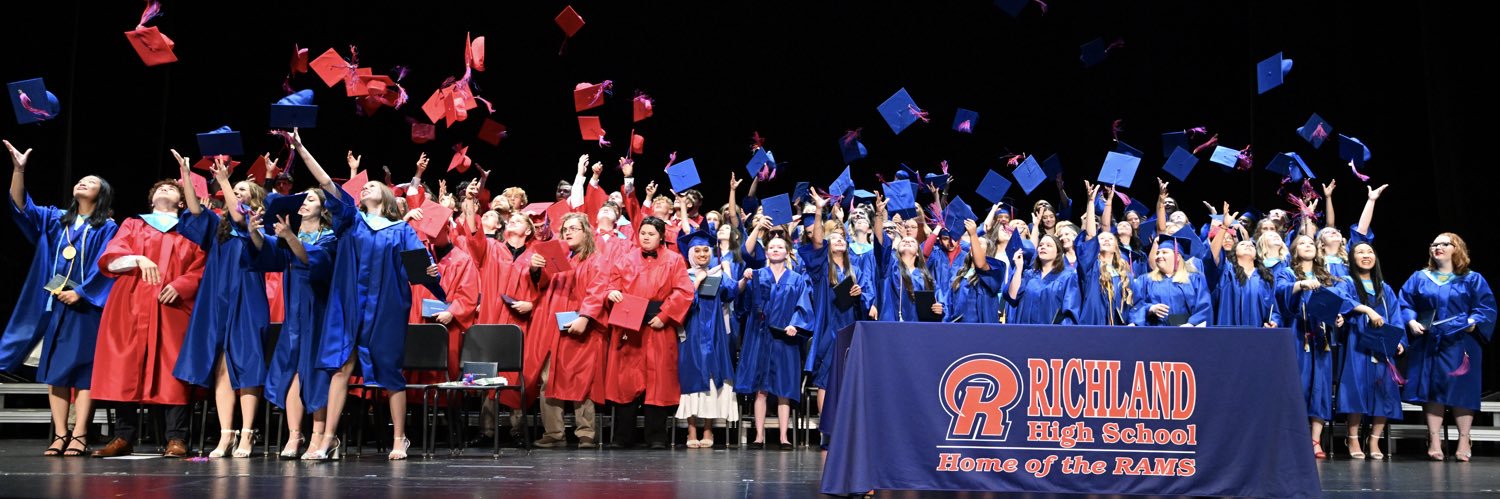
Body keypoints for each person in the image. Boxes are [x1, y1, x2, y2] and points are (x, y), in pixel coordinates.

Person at [290, 132, 438, 461]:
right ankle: (328, 438)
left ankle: (400, 439)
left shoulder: (400, 230)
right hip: (349, 307)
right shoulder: (352, 221)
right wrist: (300, 149)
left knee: (389, 372)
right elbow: (327, 183)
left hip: (384, 310)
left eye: (374, 185)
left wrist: (433, 279)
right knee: (341, 369)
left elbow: (419, 270)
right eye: (365, 186)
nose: (367, 186)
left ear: (387, 199)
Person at [1, 140, 118, 457]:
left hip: (85, 306)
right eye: (81, 180)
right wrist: (18, 170)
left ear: (101, 195)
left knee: (82, 372)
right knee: (55, 372)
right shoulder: (56, 219)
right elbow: (21, 207)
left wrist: (80, 292)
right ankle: (60, 434)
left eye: (91, 183)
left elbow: (107, 264)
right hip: (55, 303)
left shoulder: (107, 227)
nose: (83, 182)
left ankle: (80, 435)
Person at [89, 171, 207, 458]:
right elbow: (111, 259)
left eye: (172, 188)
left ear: (182, 201)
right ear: (151, 199)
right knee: (124, 368)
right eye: (160, 187)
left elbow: (203, 267)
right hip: (129, 305)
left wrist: (182, 285)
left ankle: (176, 439)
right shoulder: (133, 224)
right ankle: (123, 437)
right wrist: (138, 258)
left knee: (173, 371)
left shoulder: (190, 230)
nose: (165, 189)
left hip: (172, 308)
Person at [172, 155, 270, 458]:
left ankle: (247, 434)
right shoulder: (218, 224)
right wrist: (187, 175)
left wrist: (226, 180)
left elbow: (240, 217)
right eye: (234, 189)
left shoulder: (256, 224)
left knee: (248, 362)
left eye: (244, 190)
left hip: (247, 297)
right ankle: (226, 434)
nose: (237, 193)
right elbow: (194, 211)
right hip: (216, 296)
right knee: (222, 366)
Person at [246, 187, 337, 459]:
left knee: (316, 372)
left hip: (319, 311)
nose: (304, 203)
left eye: (310, 198)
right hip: (294, 312)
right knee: (291, 371)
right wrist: (254, 232)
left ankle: (320, 437)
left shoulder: (330, 237)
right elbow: (269, 252)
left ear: (323, 207)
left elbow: (312, 260)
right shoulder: (289, 236)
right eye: (302, 198)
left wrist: (289, 236)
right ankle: (294, 435)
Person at [1400, 232, 1496, 462]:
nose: (1438, 247)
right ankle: (1433, 440)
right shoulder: (1420, 277)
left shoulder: (1472, 279)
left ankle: (1464, 439)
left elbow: (1486, 308)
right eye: (1434, 244)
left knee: (1462, 390)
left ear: (1457, 249)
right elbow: (1405, 303)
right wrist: (1411, 321)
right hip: (1430, 343)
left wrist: (1473, 324)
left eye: (1445, 243)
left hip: (1461, 343)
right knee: (1433, 390)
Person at [601, 217, 694, 449]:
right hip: (629, 325)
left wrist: (664, 317)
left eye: (651, 233)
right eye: (643, 232)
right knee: (625, 381)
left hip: (657, 325)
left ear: (661, 236)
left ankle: (656, 436)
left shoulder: (674, 260)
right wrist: (611, 293)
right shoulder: (625, 259)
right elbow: (612, 284)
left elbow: (683, 291)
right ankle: (622, 437)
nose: (646, 237)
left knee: (658, 380)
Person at [529, 213, 613, 448]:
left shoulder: (596, 259)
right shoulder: (559, 259)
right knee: (548, 378)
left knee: (581, 379)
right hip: (554, 326)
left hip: (581, 327)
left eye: (574, 228)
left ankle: (585, 432)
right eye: (565, 228)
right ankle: (554, 433)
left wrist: (585, 317)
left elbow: (597, 290)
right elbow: (543, 285)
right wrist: (536, 270)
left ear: (586, 232)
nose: (568, 232)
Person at [734, 235, 813, 450]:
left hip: (784, 337)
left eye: (780, 247)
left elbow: (803, 304)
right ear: (766, 253)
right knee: (761, 388)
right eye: (771, 247)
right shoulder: (757, 275)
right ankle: (759, 436)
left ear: (787, 252)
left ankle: (784, 436)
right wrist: (745, 280)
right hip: (760, 336)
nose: (776, 249)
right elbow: (743, 303)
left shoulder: (797, 278)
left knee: (784, 388)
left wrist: (795, 325)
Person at [1337, 241, 1408, 460]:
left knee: (1384, 390)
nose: (1366, 255)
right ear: (1352, 258)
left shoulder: (1384, 288)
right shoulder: (1347, 282)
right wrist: (1366, 310)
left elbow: (1396, 316)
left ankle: (1374, 439)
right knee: (1356, 387)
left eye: (1370, 252)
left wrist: (1400, 341)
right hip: (1357, 341)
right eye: (1360, 252)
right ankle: (1353, 437)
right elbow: (1342, 302)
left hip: (1382, 344)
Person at [674, 226, 740, 449]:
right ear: (690, 254)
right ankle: (691, 430)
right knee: (691, 377)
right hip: (691, 334)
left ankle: (708, 430)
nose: (702, 255)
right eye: (698, 251)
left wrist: (731, 275)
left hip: (715, 335)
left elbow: (731, 293)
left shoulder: (718, 274)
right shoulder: (683, 276)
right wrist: (696, 282)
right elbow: (680, 304)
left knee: (712, 378)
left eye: (705, 251)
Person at [1206, 204, 1279, 328]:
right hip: (1228, 336)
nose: (1248, 245)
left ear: (1256, 255)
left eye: (1251, 245)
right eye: (1243, 244)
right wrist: (1224, 227)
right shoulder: (1225, 272)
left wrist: (1274, 322)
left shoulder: (1265, 277)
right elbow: (1213, 256)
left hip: (1258, 336)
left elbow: (1273, 308)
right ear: (1234, 252)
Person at [1077, 184, 1133, 326]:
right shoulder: (1090, 266)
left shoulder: (1124, 272)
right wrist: (1090, 203)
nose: (1106, 239)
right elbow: (1090, 235)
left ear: (1116, 247)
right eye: (1102, 238)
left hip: (1120, 328)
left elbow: (1134, 302)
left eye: (1110, 239)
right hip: (1094, 324)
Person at [1130, 234, 1212, 327]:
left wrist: (1192, 324)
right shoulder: (1145, 280)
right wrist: (1150, 309)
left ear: (1177, 256)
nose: (1159, 256)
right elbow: (1135, 306)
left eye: (1164, 252)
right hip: (1155, 333)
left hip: (1187, 333)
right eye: (1157, 253)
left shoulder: (1195, 279)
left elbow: (1204, 306)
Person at [1005, 233, 1080, 325]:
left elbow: (1070, 311)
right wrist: (1019, 268)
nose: (1043, 247)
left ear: (1058, 253)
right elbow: (1012, 297)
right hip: (1025, 332)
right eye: (1040, 245)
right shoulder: (1029, 274)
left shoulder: (1068, 276)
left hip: (1052, 334)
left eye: (1049, 245)